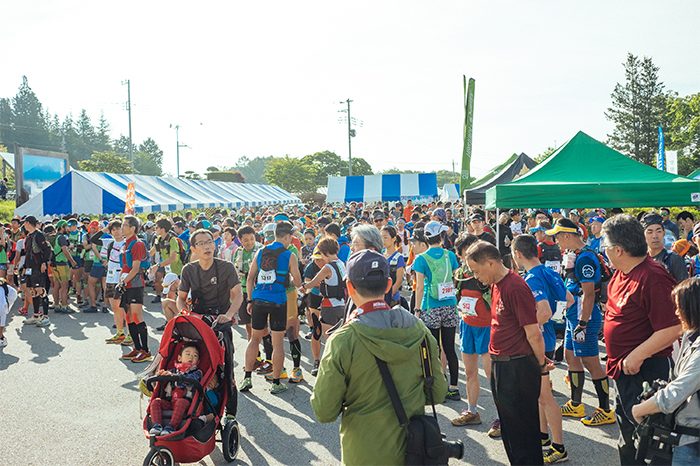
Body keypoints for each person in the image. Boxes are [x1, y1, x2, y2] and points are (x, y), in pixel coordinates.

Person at [310, 249, 447, 465]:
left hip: (363, 452)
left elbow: (324, 410)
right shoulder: (419, 330)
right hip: (415, 451)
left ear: (349, 287)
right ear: (388, 284)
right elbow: (437, 393)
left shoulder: (344, 339)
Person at [601, 214, 682, 464]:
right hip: (623, 372)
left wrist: (638, 354)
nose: (603, 251)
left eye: (605, 246)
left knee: (648, 443)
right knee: (628, 438)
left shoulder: (653, 277)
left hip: (646, 372)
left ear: (619, 249)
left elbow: (673, 327)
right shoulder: (621, 272)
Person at [465, 241, 547, 466]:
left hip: (518, 367)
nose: (476, 276)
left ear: (491, 263)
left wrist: (540, 364)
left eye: (477, 270)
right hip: (503, 365)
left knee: (523, 433)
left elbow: (534, 333)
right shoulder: (496, 284)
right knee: (510, 429)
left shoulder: (515, 286)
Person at [511, 235, 574, 464]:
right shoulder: (550, 272)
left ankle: (559, 447)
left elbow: (545, 311)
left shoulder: (532, 278)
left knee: (545, 396)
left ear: (517, 254)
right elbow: (569, 299)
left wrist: (532, 326)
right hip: (548, 339)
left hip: (539, 341)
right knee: (539, 394)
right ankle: (542, 436)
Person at [546, 218, 614, 427]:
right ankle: (576, 403)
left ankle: (605, 409)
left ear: (567, 236)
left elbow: (589, 294)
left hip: (585, 315)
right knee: (570, 356)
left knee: (590, 361)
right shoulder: (575, 255)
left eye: (557, 236)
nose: (556, 240)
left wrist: (583, 323)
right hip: (573, 313)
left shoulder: (585, 258)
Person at [632, 277, 700, 466]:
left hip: (692, 442)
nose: (677, 312)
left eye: (680, 307)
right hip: (683, 433)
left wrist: (639, 410)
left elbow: (678, 390)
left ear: (693, 308)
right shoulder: (690, 336)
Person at [177, 228, 243, 419]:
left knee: (226, 368)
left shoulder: (226, 267)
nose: (207, 246)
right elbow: (180, 298)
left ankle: (230, 412)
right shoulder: (188, 270)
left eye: (210, 242)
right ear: (194, 249)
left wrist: (229, 315)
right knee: (198, 366)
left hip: (220, 322)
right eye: (201, 243)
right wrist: (185, 312)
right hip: (197, 324)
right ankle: (197, 408)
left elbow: (238, 295)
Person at [241, 220, 301, 395]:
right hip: (278, 301)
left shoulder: (260, 251)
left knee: (254, 339)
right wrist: (290, 280)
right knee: (277, 344)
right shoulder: (290, 255)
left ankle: (246, 378)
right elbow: (297, 281)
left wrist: (250, 300)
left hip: (259, 300)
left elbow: (250, 278)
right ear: (288, 237)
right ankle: (275, 382)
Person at [412, 220, 461, 401]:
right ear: (442, 236)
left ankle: (435, 388)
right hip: (449, 304)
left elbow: (418, 287)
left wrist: (417, 310)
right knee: (449, 348)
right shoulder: (450, 255)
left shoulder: (421, 258)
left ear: (425, 237)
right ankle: (454, 387)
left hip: (430, 306)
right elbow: (456, 277)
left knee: (433, 349)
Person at [450, 233, 493, 431]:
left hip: (487, 326)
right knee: (469, 372)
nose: (469, 256)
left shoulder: (486, 273)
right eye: (465, 253)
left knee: (492, 375)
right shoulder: (459, 273)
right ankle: (472, 411)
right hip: (467, 325)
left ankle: (503, 416)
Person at [302, 237, 347, 376]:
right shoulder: (341, 264)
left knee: (328, 337)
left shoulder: (328, 267)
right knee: (338, 337)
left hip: (330, 306)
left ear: (325, 252)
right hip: (342, 305)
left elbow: (313, 282)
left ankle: (333, 368)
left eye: (321, 253)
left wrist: (301, 287)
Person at [148, 343, 203, 436]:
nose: (191, 357)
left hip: (186, 404)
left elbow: (188, 381)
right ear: (180, 358)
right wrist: (163, 376)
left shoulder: (197, 372)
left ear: (197, 362)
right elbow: (164, 382)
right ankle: (157, 425)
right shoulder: (173, 370)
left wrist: (174, 376)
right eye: (188, 354)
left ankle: (171, 427)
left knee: (181, 402)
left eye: (195, 356)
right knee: (155, 402)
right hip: (170, 402)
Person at [118, 215, 152, 363]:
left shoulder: (137, 244)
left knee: (137, 316)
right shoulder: (126, 244)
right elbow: (124, 267)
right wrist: (121, 280)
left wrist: (124, 281)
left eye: (125, 225)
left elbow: (136, 268)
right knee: (129, 316)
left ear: (133, 228)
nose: (122, 228)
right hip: (126, 283)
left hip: (135, 283)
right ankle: (137, 348)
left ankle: (145, 350)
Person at [21, 216, 52, 328]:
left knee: (41, 290)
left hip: (38, 268)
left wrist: (44, 262)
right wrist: (24, 266)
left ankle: (46, 317)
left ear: (28, 223)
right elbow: (28, 253)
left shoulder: (39, 235)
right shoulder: (29, 236)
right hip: (30, 268)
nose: (23, 225)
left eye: (24, 223)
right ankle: (35, 315)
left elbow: (48, 249)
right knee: (33, 291)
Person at [103, 221, 131, 345]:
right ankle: (120, 332)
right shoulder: (110, 244)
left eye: (119, 229)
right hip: (110, 277)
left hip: (122, 278)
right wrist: (103, 230)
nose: (116, 232)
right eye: (113, 230)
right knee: (114, 306)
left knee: (125, 307)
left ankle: (130, 334)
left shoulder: (128, 244)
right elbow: (94, 239)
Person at [642, 213, 689, 283]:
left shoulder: (674, 259)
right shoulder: (640, 260)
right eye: (650, 232)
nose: (655, 236)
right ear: (643, 235)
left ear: (664, 233)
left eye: (658, 231)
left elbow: (684, 289)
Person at [381, 225, 405, 307]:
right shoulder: (380, 256)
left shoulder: (398, 257)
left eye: (385, 237)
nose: (383, 240)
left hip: (393, 299)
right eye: (381, 237)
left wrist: (389, 295)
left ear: (394, 239)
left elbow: (399, 281)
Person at [0, 278, 19, 348]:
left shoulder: (3, 303)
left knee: (3, 311)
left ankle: (1, 338)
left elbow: (3, 314)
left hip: (9, 296)